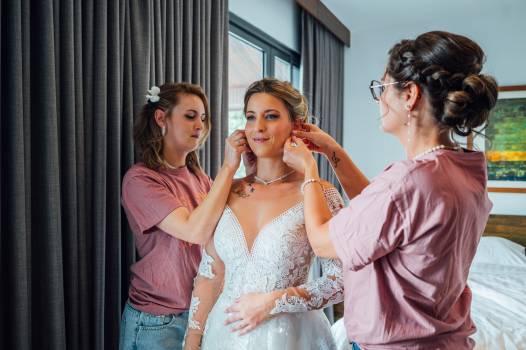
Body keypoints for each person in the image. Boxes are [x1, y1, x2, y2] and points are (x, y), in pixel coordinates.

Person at [283, 31, 498, 349]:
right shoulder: (462, 169)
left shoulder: (408, 181)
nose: (380, 98)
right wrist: (332, 151)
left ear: (409, 94)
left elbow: (323, 241)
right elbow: (385, 218)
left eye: (381, 88)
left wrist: (309, 171)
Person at [183, 78, 345, 350]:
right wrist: (192, 340)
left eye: (270, 116)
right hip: (222, 336)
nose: (257, 127)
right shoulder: (227, 191)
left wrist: (274, 302)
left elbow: (341, 281)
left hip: (291, 338)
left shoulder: (319, 193)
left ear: (296, 125)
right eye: (250, 117)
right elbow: (211, 274)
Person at [120, 83, 250, 350]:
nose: (199, 126)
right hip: (157, 321)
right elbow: (195, 231)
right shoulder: (140, 180)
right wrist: (228, 167)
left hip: (199, 316)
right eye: (190, 116)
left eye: (203, 118)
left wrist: (252, 168)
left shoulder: (200, 179)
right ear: (161, 118)